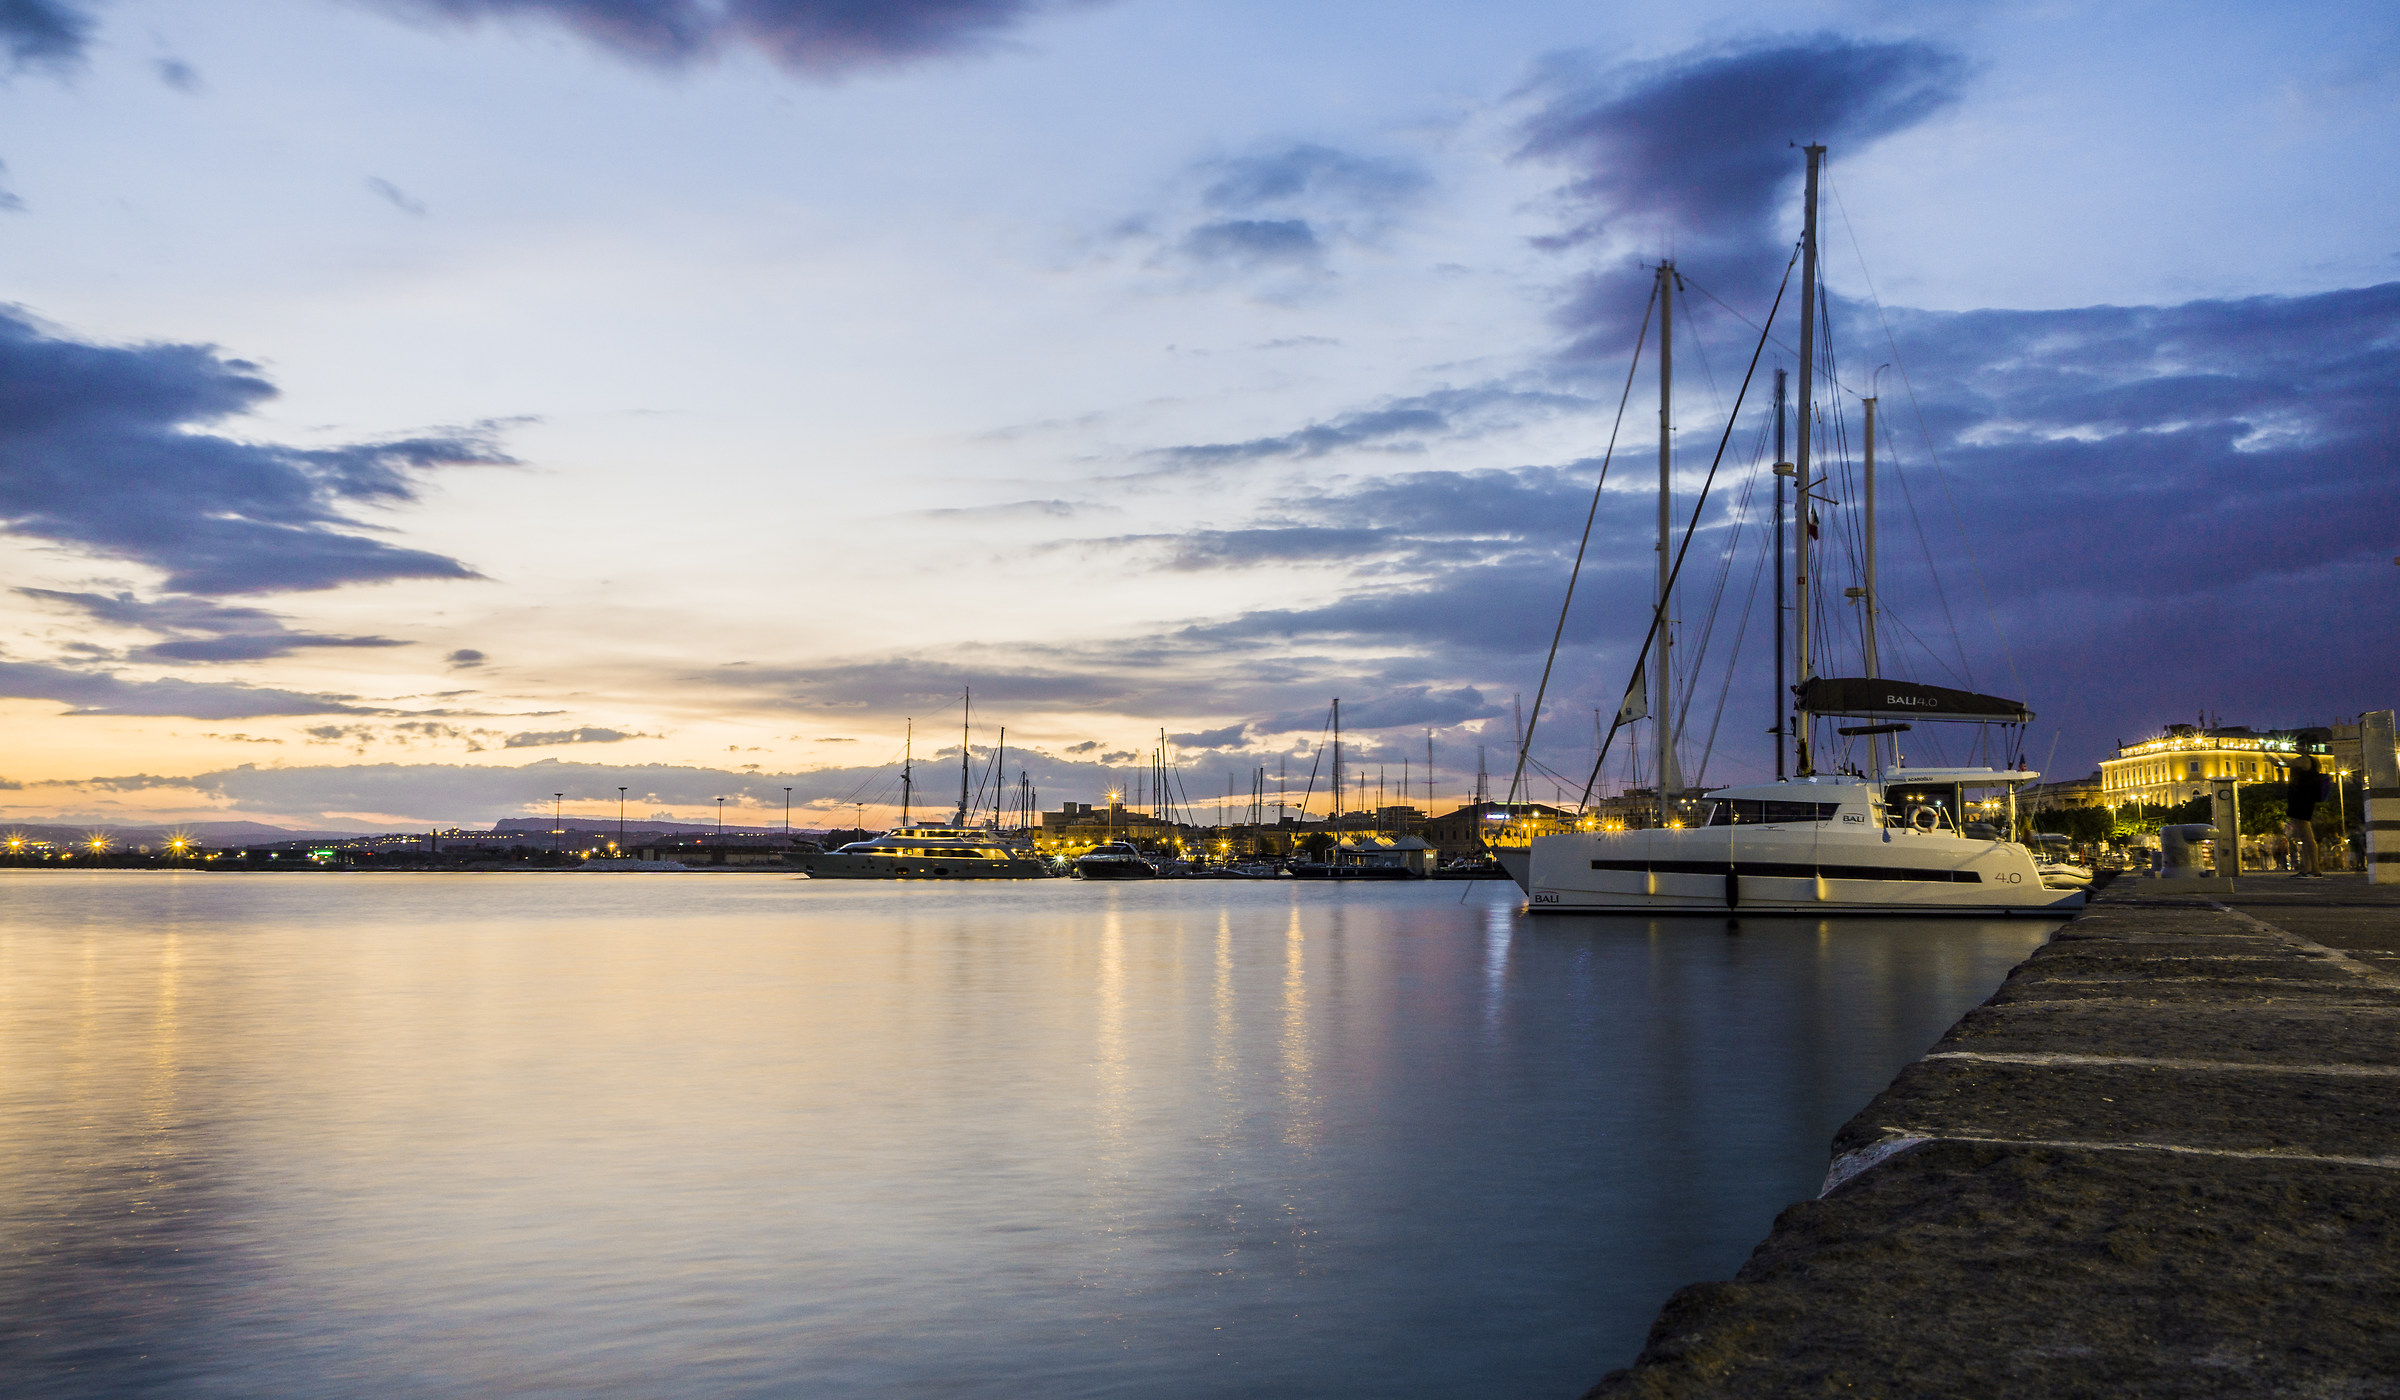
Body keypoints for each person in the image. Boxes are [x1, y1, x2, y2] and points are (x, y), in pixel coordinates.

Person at [2284, 749, 2324, 877]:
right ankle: (2307, 868)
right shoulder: (2310, 760)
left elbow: (2288, 762)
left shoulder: (2305, 760)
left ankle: (2315, 869)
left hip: (2302, 799)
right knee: (2304, 836)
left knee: (2307, 836)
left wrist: (2271, 754)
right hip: (2302, 798)